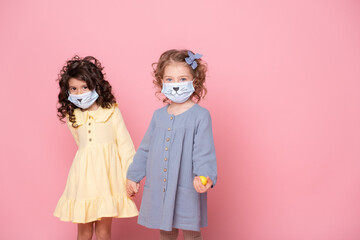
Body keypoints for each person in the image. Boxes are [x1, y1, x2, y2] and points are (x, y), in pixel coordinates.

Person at [126, 49, 217, 240]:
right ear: (161, 82)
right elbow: (145, 149)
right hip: (161, 186)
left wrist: (204, 175)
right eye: (170, 80)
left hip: (188, 186)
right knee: (166, 231)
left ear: (195, 81)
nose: (176, 85)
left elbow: (204, 151)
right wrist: (133, 177)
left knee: (191, 232)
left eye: (182, 79)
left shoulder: (200, 116)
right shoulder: (158, 116)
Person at [54, 56, 138, 240]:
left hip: (107, 180)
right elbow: (82, 146)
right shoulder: (73, 116)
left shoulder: (111, 111)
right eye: (73, 89)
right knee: (83, 233)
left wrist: (131, 177)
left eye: (84, 87)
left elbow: (125, 145)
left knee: (103, 233)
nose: (79, 93)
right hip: (83, 180)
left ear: (95, 86)